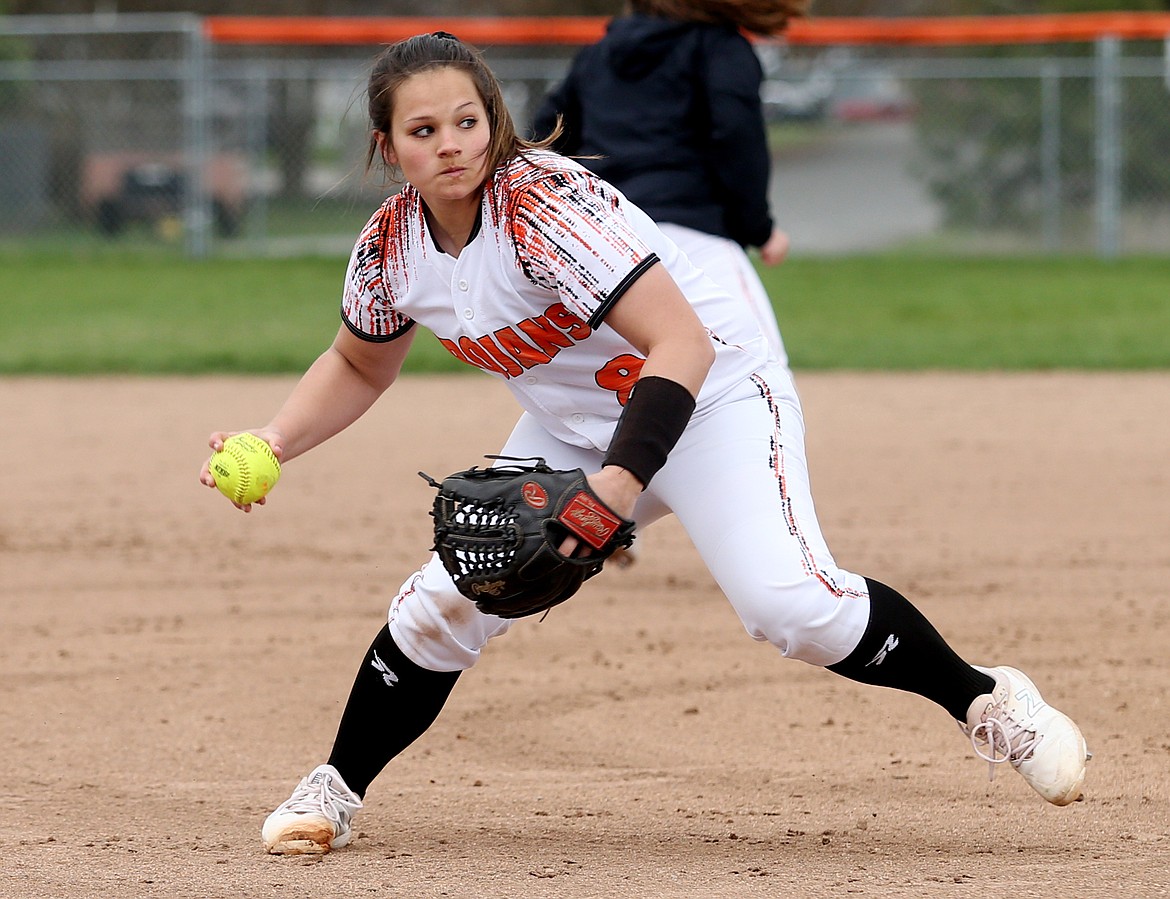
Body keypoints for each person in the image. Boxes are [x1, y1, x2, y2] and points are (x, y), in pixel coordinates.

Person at [199, 32, 1089, 857]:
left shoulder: (545, 207)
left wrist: (618, 488)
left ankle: (987, 698)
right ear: (389, 147)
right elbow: (358, 364)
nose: (452, 142)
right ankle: (336, 787)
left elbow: (684, 344)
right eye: (424, 129)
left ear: (493, 121)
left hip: (709, 401)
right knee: (450, 592)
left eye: (467, 120)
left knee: (791, 607)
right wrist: (273, 439)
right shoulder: (391, 246)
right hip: (574, 427)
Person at [532, 0, 800, 369]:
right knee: (760, 372)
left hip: (610, 242)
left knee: (621, 380)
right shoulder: (720, 46)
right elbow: (736, 140)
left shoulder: (597, 56)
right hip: (694, 238)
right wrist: (760, 229)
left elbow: (545, 142)